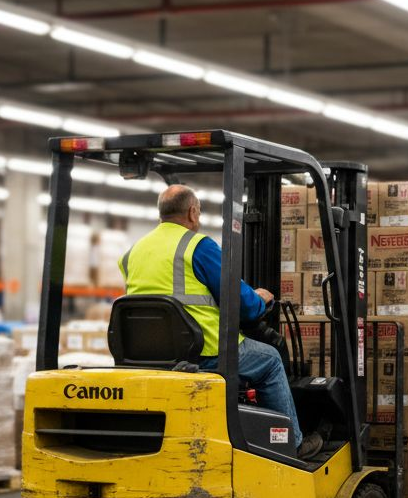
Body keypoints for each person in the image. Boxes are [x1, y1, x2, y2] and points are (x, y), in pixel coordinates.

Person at [120, 184, 322, 459]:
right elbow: (242, 304)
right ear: (192, 212)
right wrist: (260, 299)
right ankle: (293, 444)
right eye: (199, 213)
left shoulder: (134, 252)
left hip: (150, 356)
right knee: (270, 359)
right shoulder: (197, 246)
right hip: (205, 352)